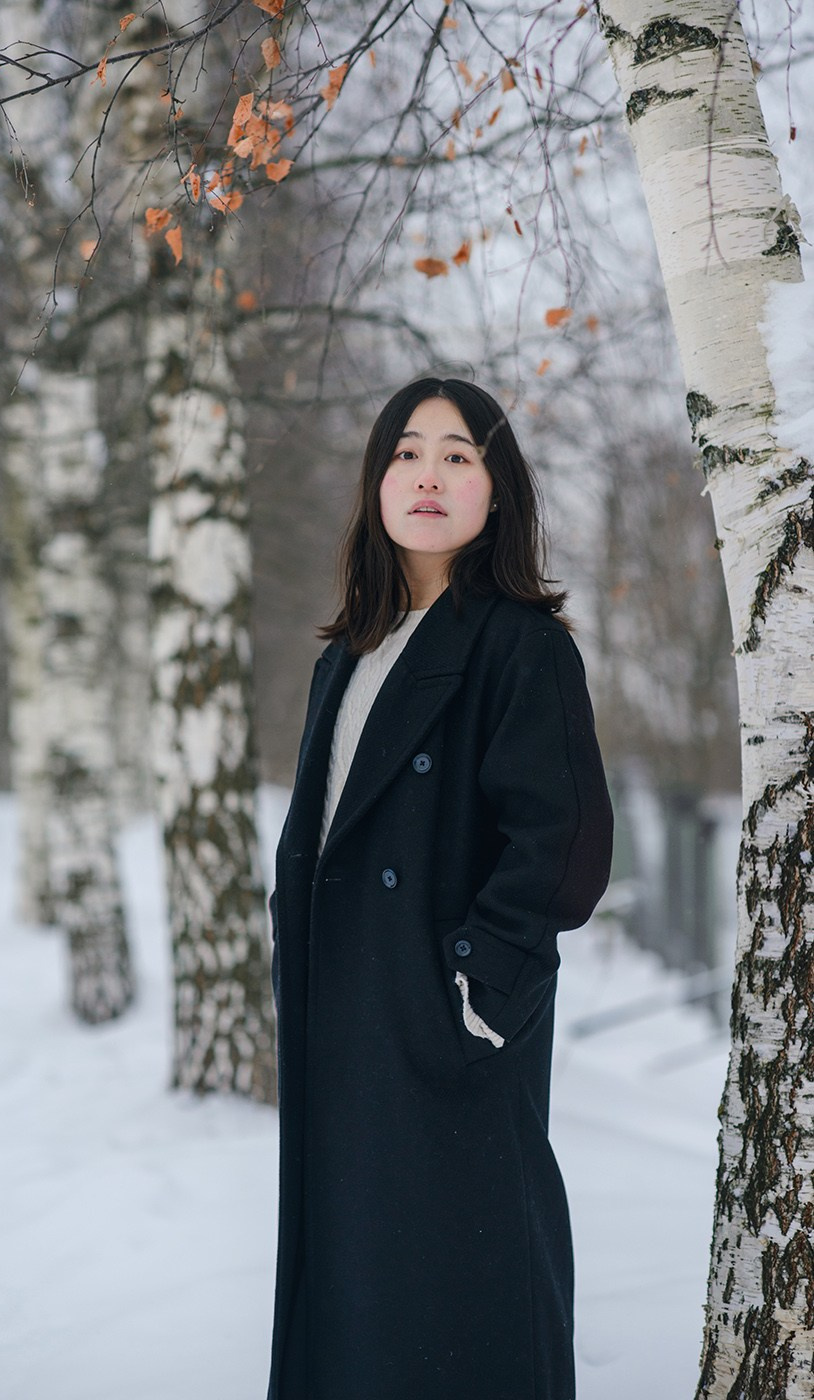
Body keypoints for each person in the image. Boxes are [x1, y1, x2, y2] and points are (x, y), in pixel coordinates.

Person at [266, 377, 613, 1400]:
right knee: (355, 1304)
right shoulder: (352, 652)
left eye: (459, 455)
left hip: (443, 1042)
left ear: (497, 490)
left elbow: (565, 843)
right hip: (340, 1031)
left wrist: (473, 995)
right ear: (376, 482)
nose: (428, 474)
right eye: (406, 451)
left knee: (459, 1306)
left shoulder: (521, 645)